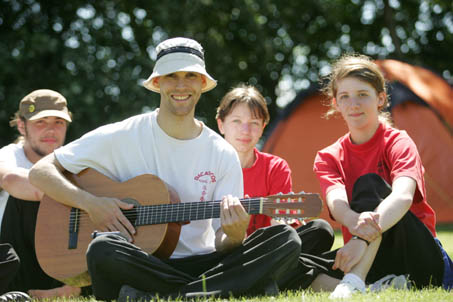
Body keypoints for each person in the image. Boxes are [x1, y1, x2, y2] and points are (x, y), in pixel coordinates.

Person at [29, 37, 301, 302]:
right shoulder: (123, 134)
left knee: (285, 238)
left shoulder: (221, 153)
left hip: (204, 263)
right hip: (142, 262)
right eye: (172, 75)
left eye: (191, 76)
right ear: (157, 82)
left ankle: (166, 296)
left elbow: (223, 242)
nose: (181, 85)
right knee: (102, 248)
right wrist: (91, 203)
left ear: (202, 83)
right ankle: (213, 291)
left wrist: (234, 233)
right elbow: (41, 171)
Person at [312, 54, 453, 298]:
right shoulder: (328, 156)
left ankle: (354, 281)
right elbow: (337, 203)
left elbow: (403, 196)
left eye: (362, 95)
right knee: (300, 260)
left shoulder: (399, 141)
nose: (353, 104)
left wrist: (361, 238)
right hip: (370, 261)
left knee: (369, 185)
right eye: (344, 97)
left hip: (418, 257)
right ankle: (373, 286)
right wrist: (358, 232)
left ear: (380, 99)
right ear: (336, 104)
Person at [216, 84, 336, 291]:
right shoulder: (209, 167)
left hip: (267, 249)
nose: (245, 131)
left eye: (254, 123)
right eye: (236, 121)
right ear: (221, 125)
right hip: (221, 252)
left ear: (263, 126)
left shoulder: (275, 166)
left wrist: (280, 222)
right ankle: (289, 277)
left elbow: (280, 224)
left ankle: (265, 276)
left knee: (321, 230)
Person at [0, 89, 85, 299]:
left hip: (57, 263)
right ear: (22, 126)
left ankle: (66, 286)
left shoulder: (74, 161)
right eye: (41, 122)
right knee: (33, 190)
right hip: (10, 263)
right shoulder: (8, 155)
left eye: (59, 122)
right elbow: (10, 179)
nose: (51, 130)